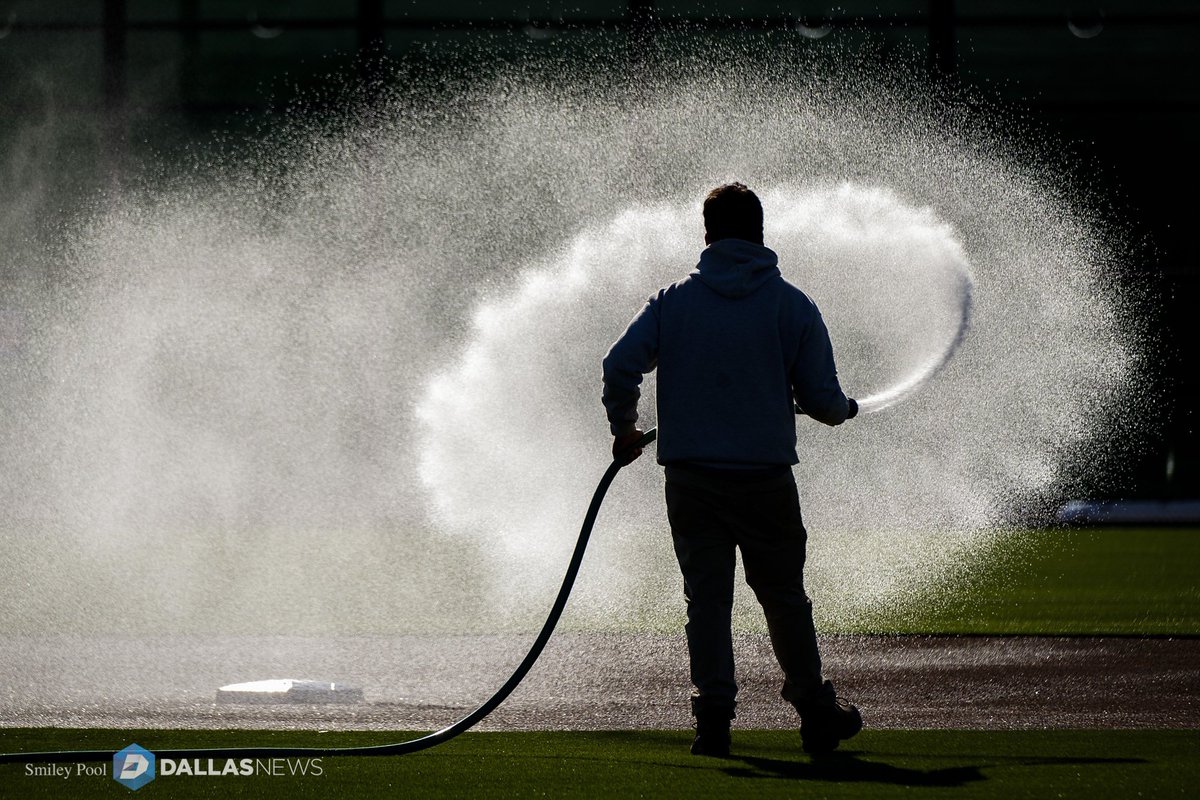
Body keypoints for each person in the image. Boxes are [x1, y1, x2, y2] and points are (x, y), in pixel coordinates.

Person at [601, 182, 862, 757]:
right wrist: (841, 409)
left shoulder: (672, 302)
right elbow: (825, 403)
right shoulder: (792, 305)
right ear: (761, 232)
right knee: (784, 597)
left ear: (707, 234)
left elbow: (620, 365)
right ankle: (816, 714)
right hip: (765, 478)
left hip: (691, 477)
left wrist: (623, 426)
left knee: (708, 600)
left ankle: (713, 722)